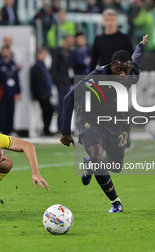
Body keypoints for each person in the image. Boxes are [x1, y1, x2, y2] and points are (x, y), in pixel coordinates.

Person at [60, 35, 148, 213]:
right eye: (119, 70)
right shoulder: (97, 77)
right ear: (112, 66)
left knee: (116, 166)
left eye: (126, 70)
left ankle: (91, 165)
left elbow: (137, 57)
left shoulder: (132, 73)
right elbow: (69, 98)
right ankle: (115, 202)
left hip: (115, 120)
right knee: (97, 156)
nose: (123, 74)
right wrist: (65, 131)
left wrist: (141, 45)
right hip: (90, 119)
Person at [0, 46, 21, 135]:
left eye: (7, 51)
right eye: (4, 51)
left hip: (11, 92)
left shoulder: (13, 65)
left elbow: (16, 79)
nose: (5, 53)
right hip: (2, 93)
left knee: (11, 111)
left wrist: (18, 92)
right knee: (1, 112)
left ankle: (10, 129)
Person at [51, 34, 74, 132]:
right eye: (69, 40)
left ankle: (65, 127)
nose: (71, 42)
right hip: (61, 83)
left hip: (68, 82)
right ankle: (60, 127)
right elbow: (53, 68)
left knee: (67, 105)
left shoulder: (71, 53)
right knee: (61, 105)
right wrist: (58, 81)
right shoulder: (58, 51)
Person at [30, 48, 54, 136]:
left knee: (49, 110)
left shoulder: (43, 66)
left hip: (46, 92)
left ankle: (46, 128)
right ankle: (46, 129)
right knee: (47, 110)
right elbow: (37, 82)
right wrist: (41, 93)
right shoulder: (37, 66)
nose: (44, 56)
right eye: (42, 54)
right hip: (42, 94)